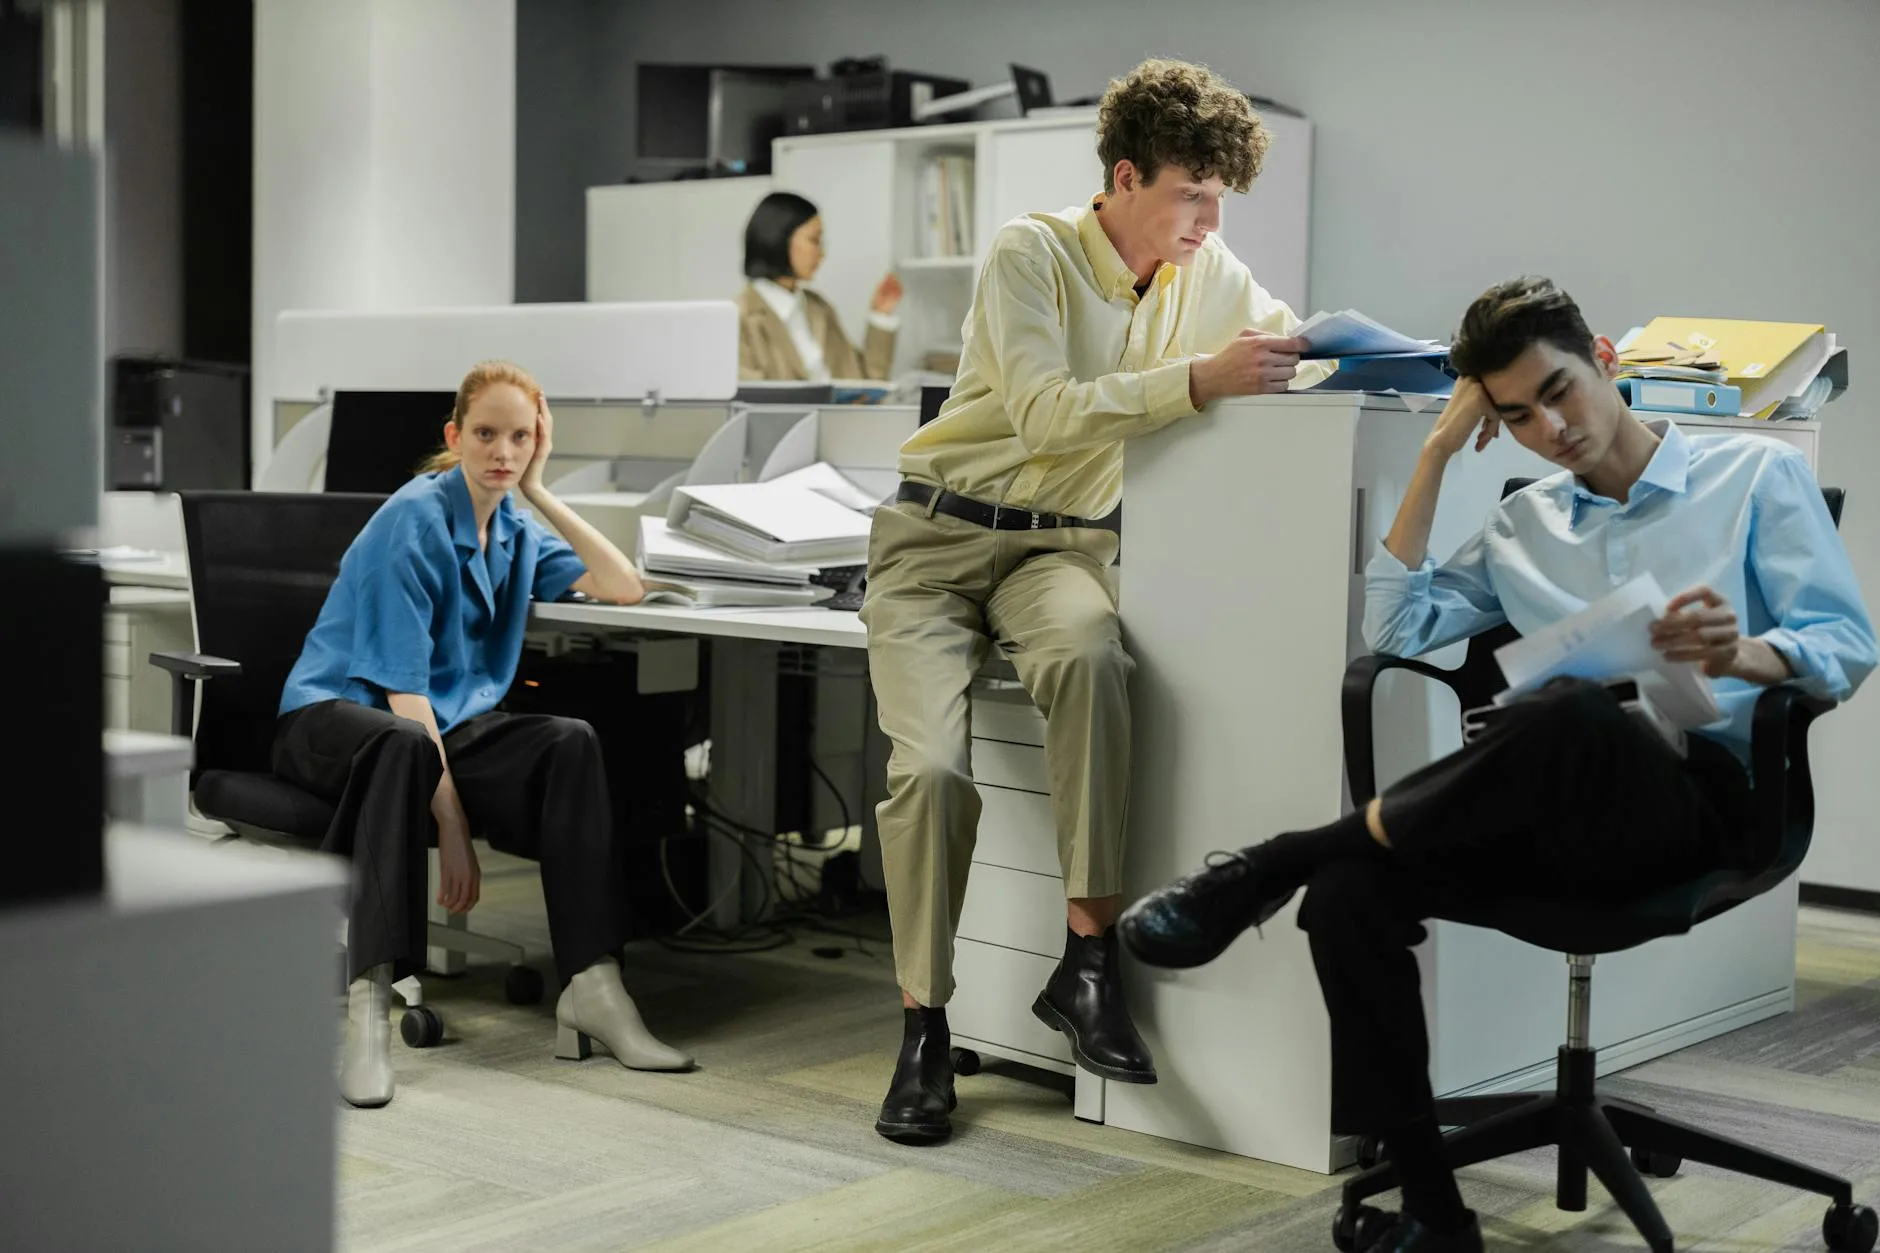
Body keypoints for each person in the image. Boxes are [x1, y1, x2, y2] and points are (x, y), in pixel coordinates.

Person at [1120, 276, 1877, 1252]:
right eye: (1513, 413)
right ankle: (1436, 1217)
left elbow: (1844, 643)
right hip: (1551, 814)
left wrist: (1741, 654)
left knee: (1570, 710)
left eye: (1558, 389)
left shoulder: (1752, 477)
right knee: (1350, 889)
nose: (1548, 426)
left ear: (1603, 359)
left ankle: (1269, 860)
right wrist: (1436, 450)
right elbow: (1391, 626)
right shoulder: (1524, 525)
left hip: (1697, 804)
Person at [861, 57, 1331, 1146]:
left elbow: (1298, 353)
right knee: (927, 770)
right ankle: (922, 1026)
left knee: (1092, 661)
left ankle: (1083, 961)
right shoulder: (1030, 253)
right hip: (934, 541)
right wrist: (1196, 382)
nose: (1209, 222)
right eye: (1190, 194)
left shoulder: (1208, 268)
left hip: (1058, 551)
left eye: (1220, 200)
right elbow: (1041, 412)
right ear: (1124, 177)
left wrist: (1463, 367)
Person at [275, 359, 695, 1109]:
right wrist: (455, 823)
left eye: (521, 437)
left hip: (439, 727)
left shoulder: (515, 525)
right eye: (486, 433)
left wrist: (538, 488)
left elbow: (622, 583)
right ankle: (368, 1005)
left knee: (570, 738)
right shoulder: (412, 518)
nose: (503, 450)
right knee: (400, 745)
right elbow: (403, 692)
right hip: (333, 716)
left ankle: (594, 986)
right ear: (454, 435)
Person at [738, 191, 903, 382]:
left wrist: (880, 315)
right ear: (778, 237)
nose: (821, 253)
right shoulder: (740, 319)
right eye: (814, 240)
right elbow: (752, 403)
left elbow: (866, 384)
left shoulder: (819, 308)